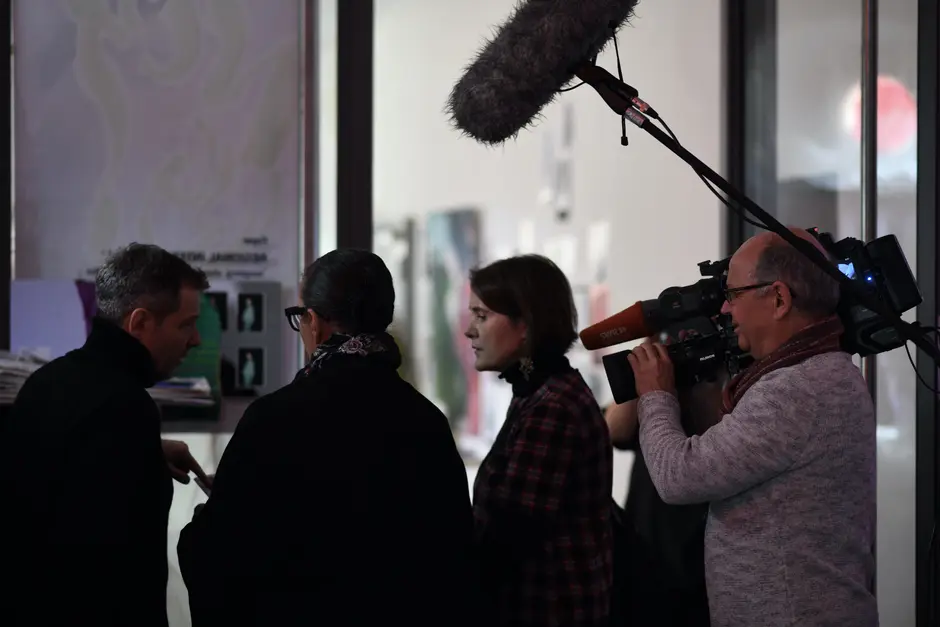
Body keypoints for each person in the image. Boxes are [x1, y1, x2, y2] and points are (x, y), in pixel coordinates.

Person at [178, 248, 474, 626]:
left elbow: (222, 554)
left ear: (314, 322)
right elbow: (452, 557)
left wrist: (214, 510)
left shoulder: (274, 419)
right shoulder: (427, 421)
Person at [627, 228, 878, 626]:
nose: (725, 310)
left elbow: (678, 477)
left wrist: (655, 394)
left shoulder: (796, 389)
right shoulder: (819, 372)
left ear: (778, 299)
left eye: (733, 294)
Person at [0, 243, 212, 626]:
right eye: (186, 324)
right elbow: (116, 570)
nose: (195, 339)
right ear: (140, 323)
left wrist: (146, 451)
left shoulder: (47, 382)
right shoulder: (124, 407)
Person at [465, 254, 613, 627]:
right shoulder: (539, 392)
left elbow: (510, 534)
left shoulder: (552, 406)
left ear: (525, 324)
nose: (469, 331)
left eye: (482, 316)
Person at [605, 330, 724, 627]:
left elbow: (717, 435)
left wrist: (698, 378)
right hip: (645, 542)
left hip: (697, 552)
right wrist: (648, 357)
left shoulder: (722, 365)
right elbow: (615, 430)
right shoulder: (656, 388)